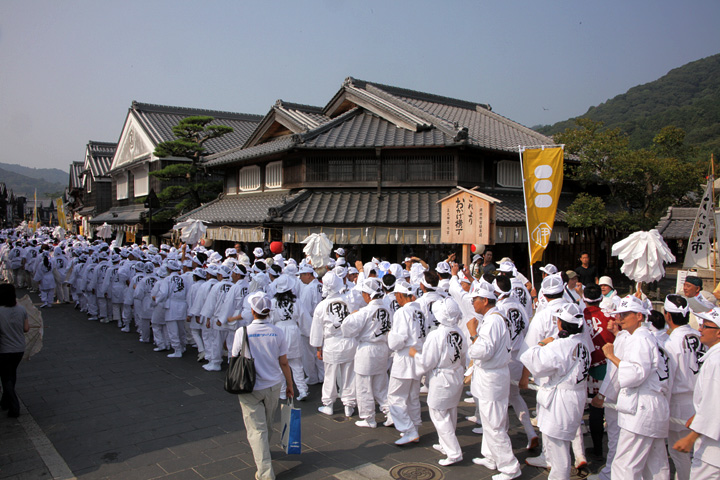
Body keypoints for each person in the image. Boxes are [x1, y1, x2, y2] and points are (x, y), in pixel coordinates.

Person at [602, 295, 671, 480]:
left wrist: (612, 356)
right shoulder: (651, 337)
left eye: (625, 314)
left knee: (624, 466)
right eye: (619, 314)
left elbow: (635, 374)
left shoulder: (639, 339)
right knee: (655, 466)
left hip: (642, 408)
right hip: (654, 405)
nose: (620, 318)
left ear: (639, 316)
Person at [520, 303, 590, 480]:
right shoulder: (583, 343)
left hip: (562, 400)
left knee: (558, 449)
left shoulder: (561, 346)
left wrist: (544, 342)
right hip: (576, 396)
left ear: (561, 324)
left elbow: (531, 359)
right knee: (558, 445)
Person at [231, 291, 294, 480]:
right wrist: (290, 385)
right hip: (274, 384)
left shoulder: (242, 332)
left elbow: (234, 358)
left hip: (250, 386)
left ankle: (265, 472)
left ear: (253, 310)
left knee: (256, 429)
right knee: (267, 424)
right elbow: (284, 362)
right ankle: (263, 454)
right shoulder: (278, 331)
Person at [467, 281, 522, 480]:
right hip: (491, 375)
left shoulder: (492, 321)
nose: (473, 303)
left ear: (484, 300)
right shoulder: (494, 318)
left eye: (475, 300)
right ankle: (491, 456)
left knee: (494, 423)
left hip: (492, 376)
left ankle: (509, 467)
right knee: (490, 420)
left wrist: (472, 333)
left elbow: (482, 351)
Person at [410, 298, 467, 466]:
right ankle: (445, 444)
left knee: (438, 413)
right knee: (450, 411)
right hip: (455, 374)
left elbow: (427, 362)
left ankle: (454, 451)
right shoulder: (458, 331)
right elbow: (463, 356)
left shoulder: (436, 335)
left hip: (442, 377)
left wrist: (414, 355)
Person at [673, 307, 720, 479]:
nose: (700, 329)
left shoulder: (715, 361)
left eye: (706, 326)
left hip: (712, 451)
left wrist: (690, 438)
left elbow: (714, 406)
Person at [664, 294, 705, 480]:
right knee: (699, 452)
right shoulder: (700, 335)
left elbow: (669, 379)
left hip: (679, 404)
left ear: (668, 316)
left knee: (680, 454)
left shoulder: (671, 343)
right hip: (701, 402)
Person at [0, 283, 29, 418]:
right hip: (19, 348)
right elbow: (26, 328)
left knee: (6, 377)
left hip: (5, 349)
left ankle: (14, 405)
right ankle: (5, 401)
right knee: (12, 374)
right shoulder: (22, 310)